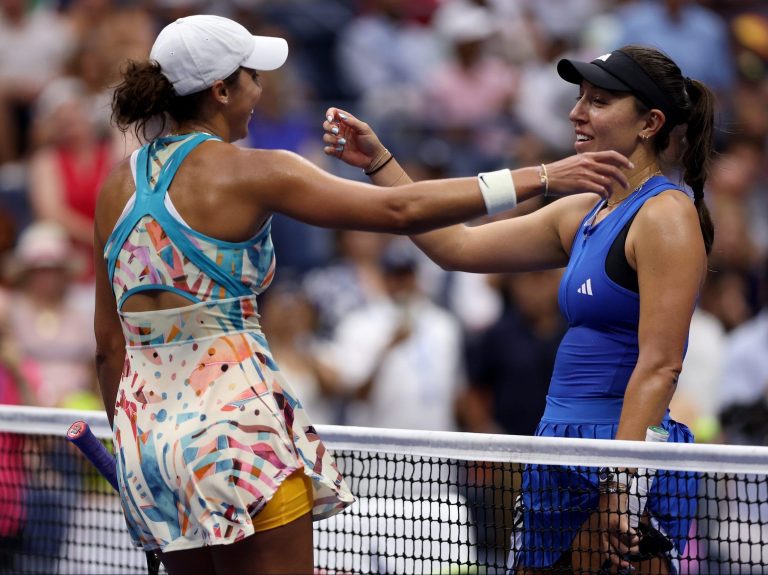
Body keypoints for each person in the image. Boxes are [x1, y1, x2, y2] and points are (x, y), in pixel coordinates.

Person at [93, 14, 630, 575]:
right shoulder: (256, 171)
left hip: (150, 444)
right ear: (221, 90)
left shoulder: (115, 186)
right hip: (237, 434)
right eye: (252, 76)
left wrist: (137, 452)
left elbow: (109, 348)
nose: (261, 89)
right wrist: (544, 175)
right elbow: (403, 211)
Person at [324, 43, 715, 574]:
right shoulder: (583, 212)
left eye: (599, 101)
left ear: (649, 123)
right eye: (580, 98)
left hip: (619, 456)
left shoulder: (666, 215)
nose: (577, 112)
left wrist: (624, 485)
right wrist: (380, 163)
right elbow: (454, 247)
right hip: (558, 448)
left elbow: (662, 364)